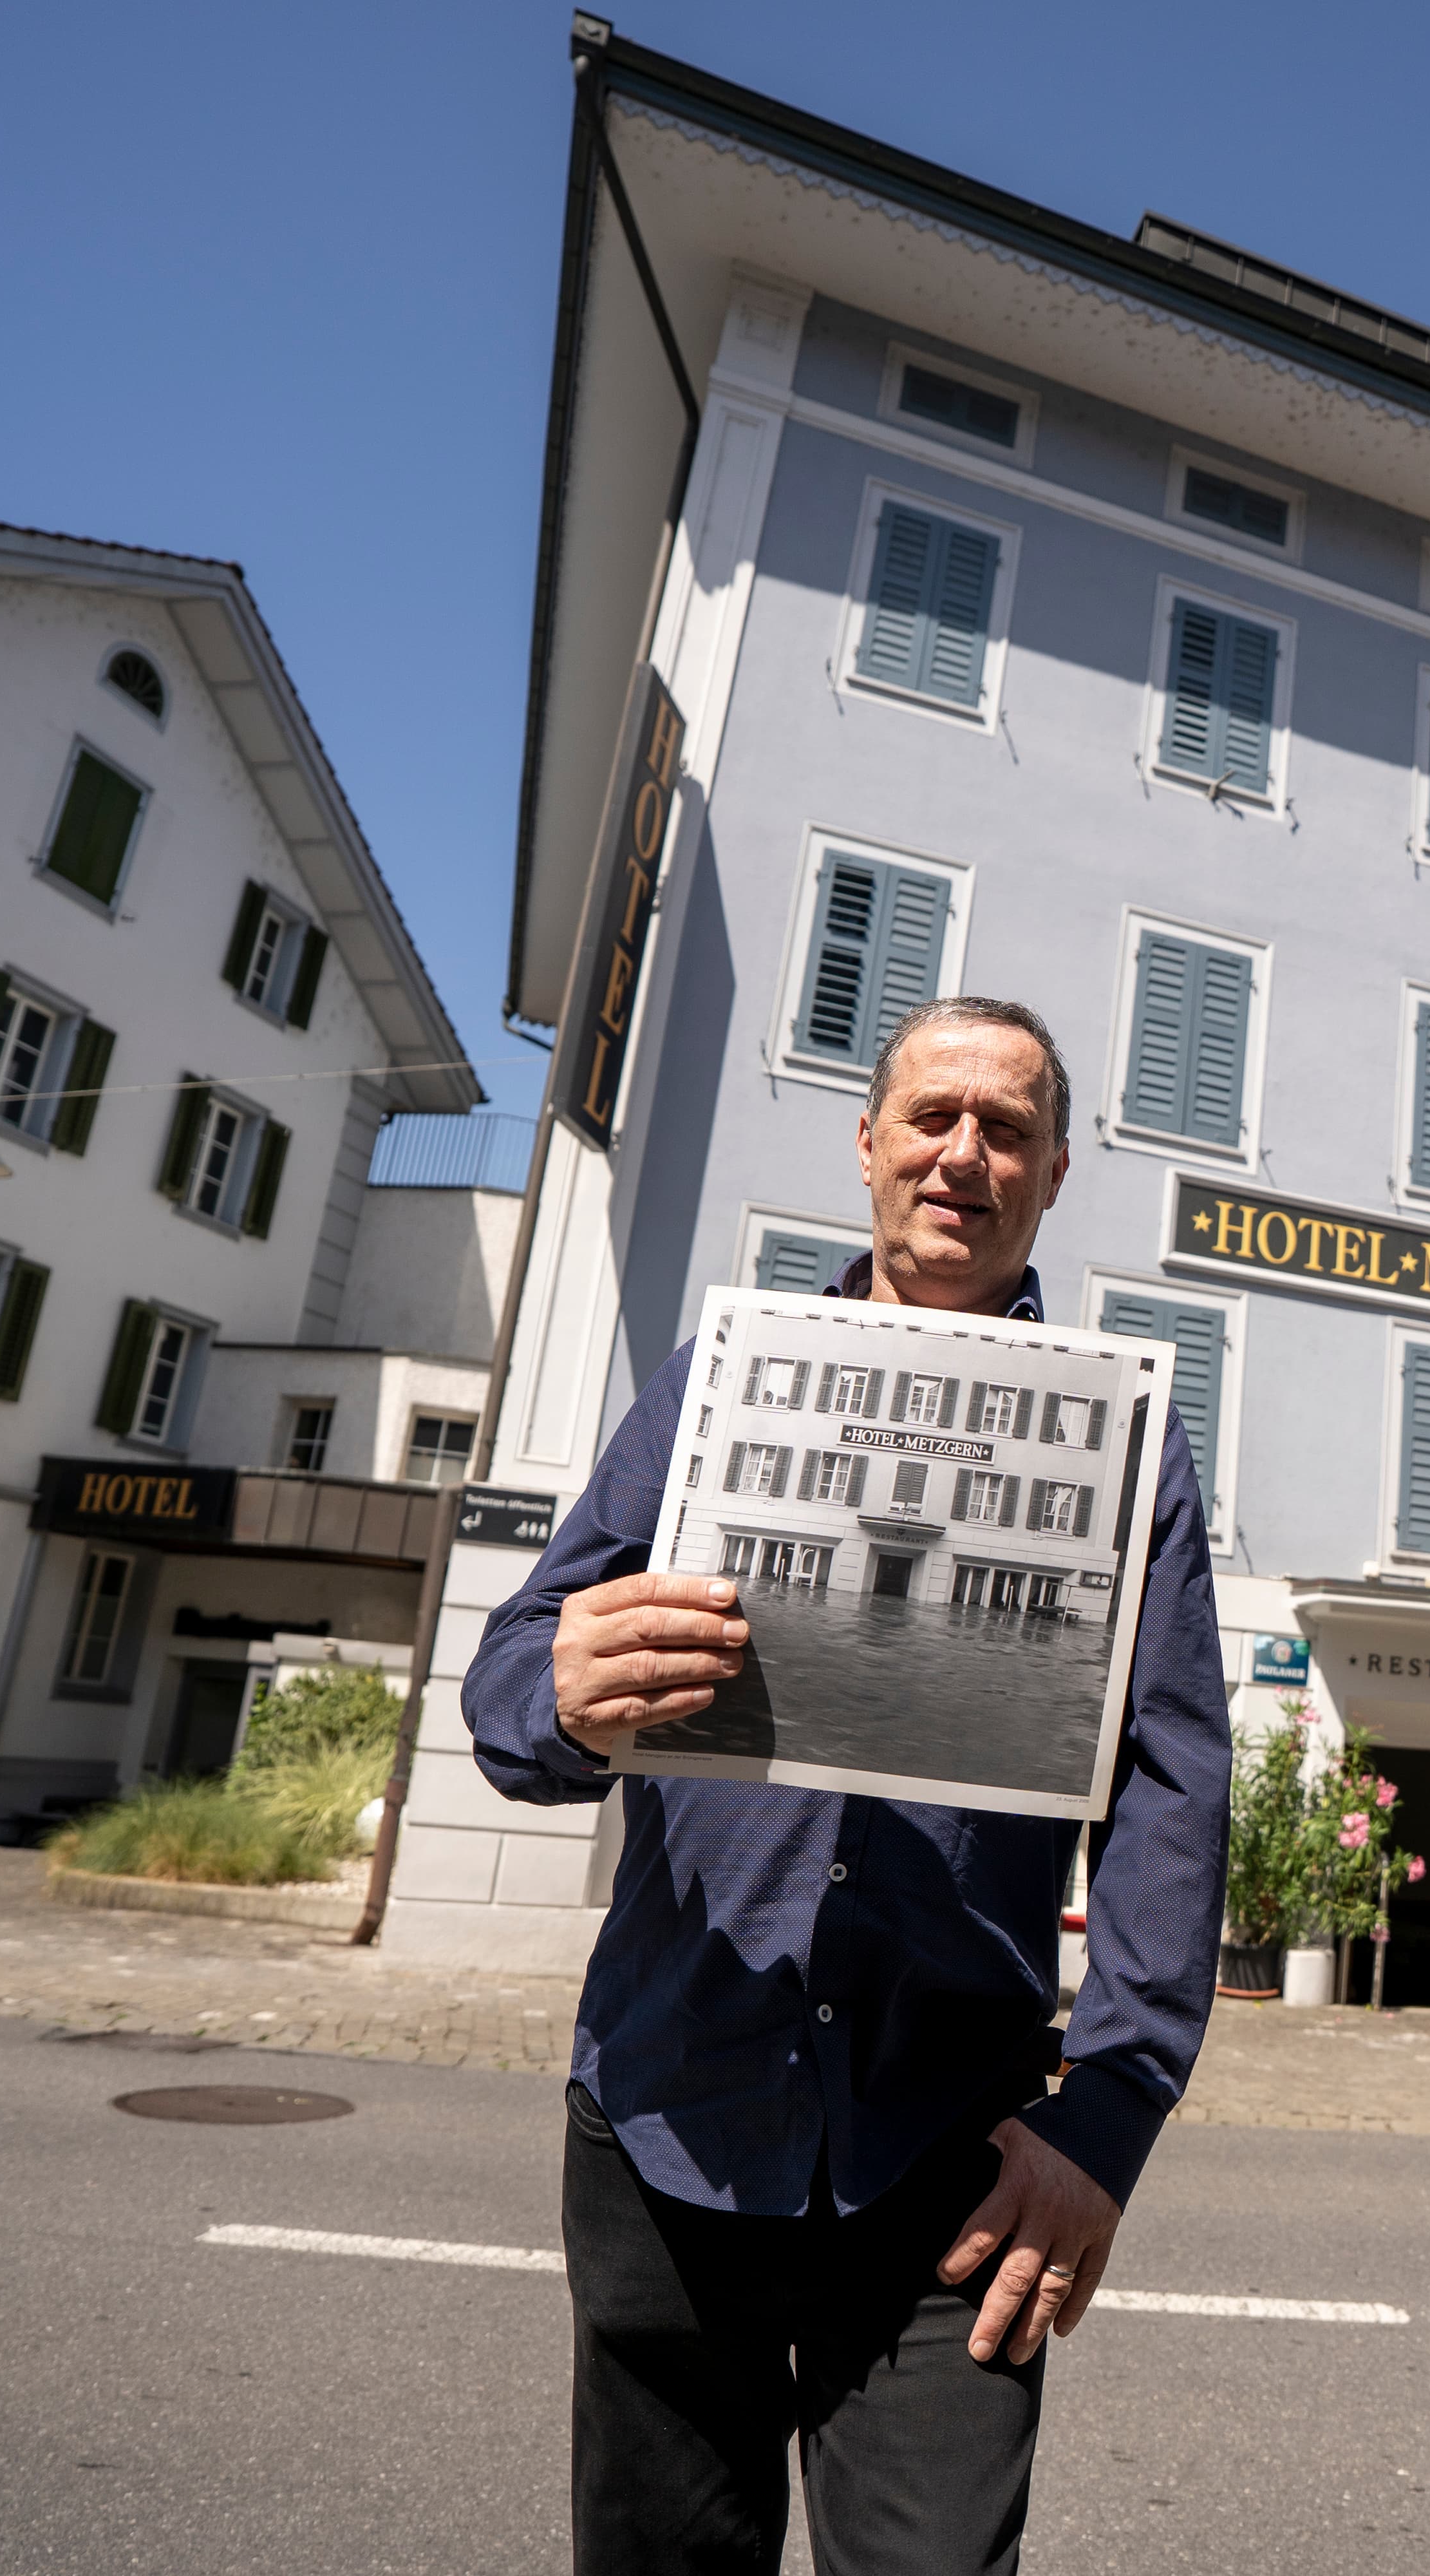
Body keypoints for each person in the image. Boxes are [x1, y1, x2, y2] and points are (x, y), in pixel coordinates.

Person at [464, 997, 1227, 2575]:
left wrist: (1115, 2107)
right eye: (933, 1114)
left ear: (1055, 1172)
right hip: (669, 2113)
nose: (966, 1151)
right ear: (868, 1144)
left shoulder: (1129, 1448)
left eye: (1006, 1126)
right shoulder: (715, 1387)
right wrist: (555, 1690)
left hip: (954, 2172)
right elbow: (519, 1663)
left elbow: (1169, 1785)